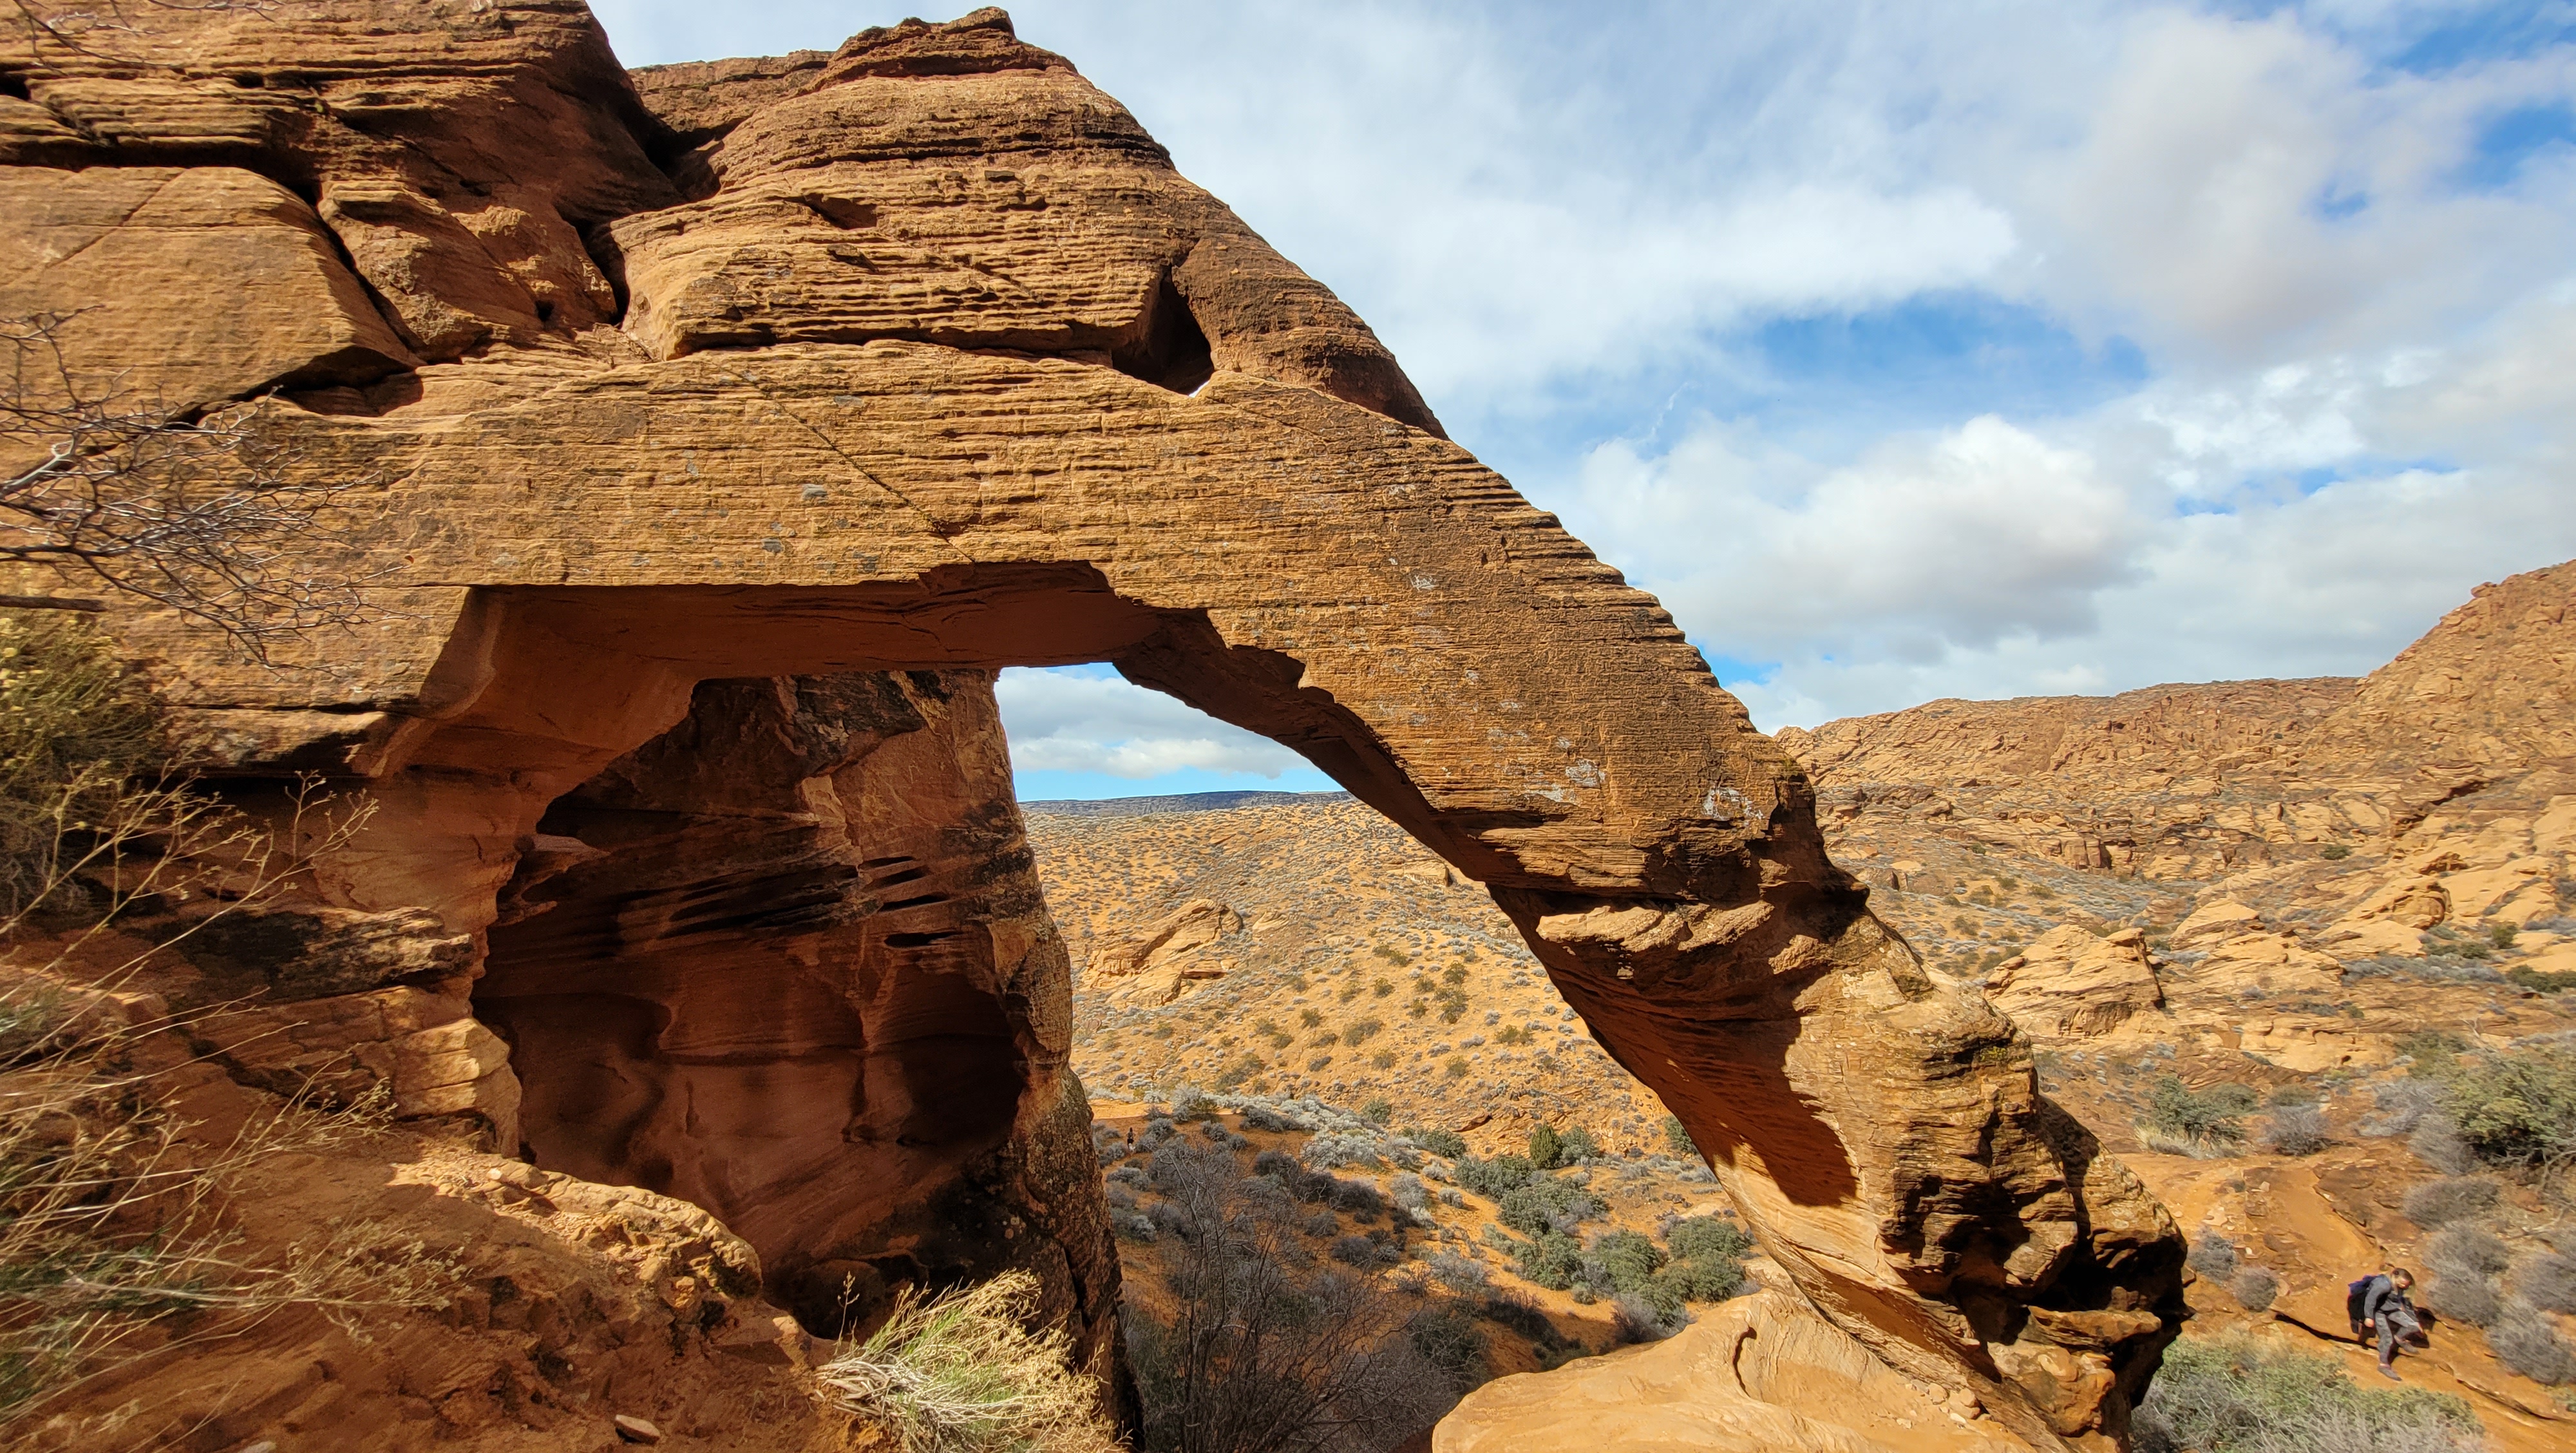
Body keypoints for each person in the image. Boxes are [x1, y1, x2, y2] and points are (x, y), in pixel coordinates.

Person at [2352, 1268, 2420, 1380]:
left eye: (2406, 1285)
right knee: (2387, 1338)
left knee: (2413, 1326)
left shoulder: (2400, 1286)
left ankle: (2400, 1338)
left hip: (2391, 1309)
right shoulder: (2383, 1285)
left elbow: (2404, 1301)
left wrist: (2414, 1320)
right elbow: (2370, 1299)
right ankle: (2383, 1365)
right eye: (2402, 1284)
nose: (2404, 1286)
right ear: (2395, 1277)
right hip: (2378, 1312)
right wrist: (2369, 1317)